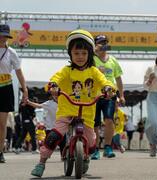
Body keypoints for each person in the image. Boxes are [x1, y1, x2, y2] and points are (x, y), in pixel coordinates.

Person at [30, 29, 115, 177]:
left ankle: (86, 156)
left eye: (83, 53)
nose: (80, 57)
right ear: (70, 54)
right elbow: (55, 78)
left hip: (87, 113)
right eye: (76, 53)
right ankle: (41, 162)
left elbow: (104, 81)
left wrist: (108, 88)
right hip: (66, 111)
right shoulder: (67, 71)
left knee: (92, 143)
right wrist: (53, 86)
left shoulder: (94, 71)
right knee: (54, 136)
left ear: (89, 53)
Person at [91, 34, 125, 160]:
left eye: (105, 42)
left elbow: (119, 78)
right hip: (94, 95)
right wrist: (93, 52)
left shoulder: (113, 60)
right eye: (100, 42)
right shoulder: (91, 59)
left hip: (109, 94)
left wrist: (121, 95)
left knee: (109, 120)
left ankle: (107, 147)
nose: (103, 45)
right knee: (94, 123)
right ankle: (94, 149)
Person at [0, 23, 28, 163]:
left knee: (2, 123)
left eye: (5, 35)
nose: (3, 38)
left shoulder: (11, 52)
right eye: (1, 35)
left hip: (5, 88)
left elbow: (19, 72)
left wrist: (25, 89)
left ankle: (0, 152)